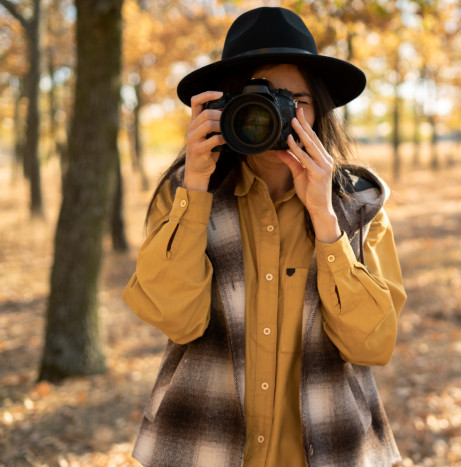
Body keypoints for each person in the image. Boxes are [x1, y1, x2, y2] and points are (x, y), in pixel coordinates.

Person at [122, 7, 406, 467]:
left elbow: (371, 345)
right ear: (223, 107)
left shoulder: (359, 208)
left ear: (320, 114)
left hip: (331, 450)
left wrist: (325, 219)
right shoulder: (184, 196)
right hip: (201, 449)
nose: (276, 115)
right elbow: (178, 321)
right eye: (260, 98)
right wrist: (195, 185)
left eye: (296, 101)